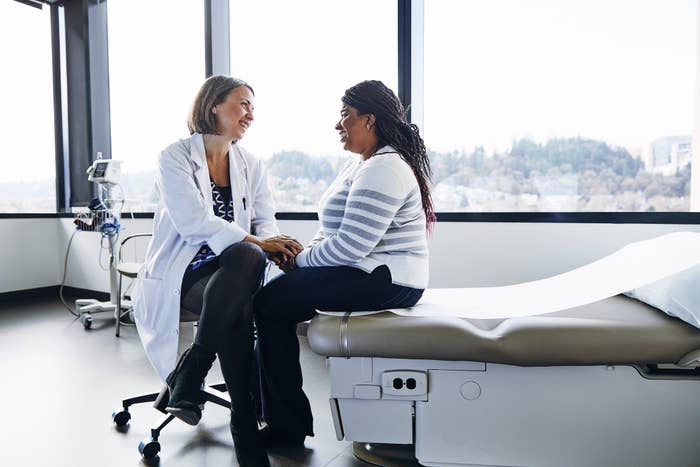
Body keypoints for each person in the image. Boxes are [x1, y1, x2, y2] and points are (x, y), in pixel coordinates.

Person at [132, 75, 302, 467]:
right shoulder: (174, 157)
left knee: (244, 264)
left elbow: (265, 220)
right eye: (243, 104)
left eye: (253, 108)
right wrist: (260, 244)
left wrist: (275, 242)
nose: (250, 115)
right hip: (183, 272)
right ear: (213, 105)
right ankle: (243, 420)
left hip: (232, 272)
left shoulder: (251, 163)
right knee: (242, 279)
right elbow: (193, 222)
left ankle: (194, 371)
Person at [253, 80, 434, 445]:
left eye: (344, 117)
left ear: (369, 120)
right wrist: (298, 258)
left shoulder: (384, 168)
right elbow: (331, 234)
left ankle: (285, 427)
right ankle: (277, 416)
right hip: (367, 272)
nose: (339, 126)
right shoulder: (362, 166)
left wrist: (300, 262)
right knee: (273, 297)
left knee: (270, 304)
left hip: (386, 279)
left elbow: (351, 246)